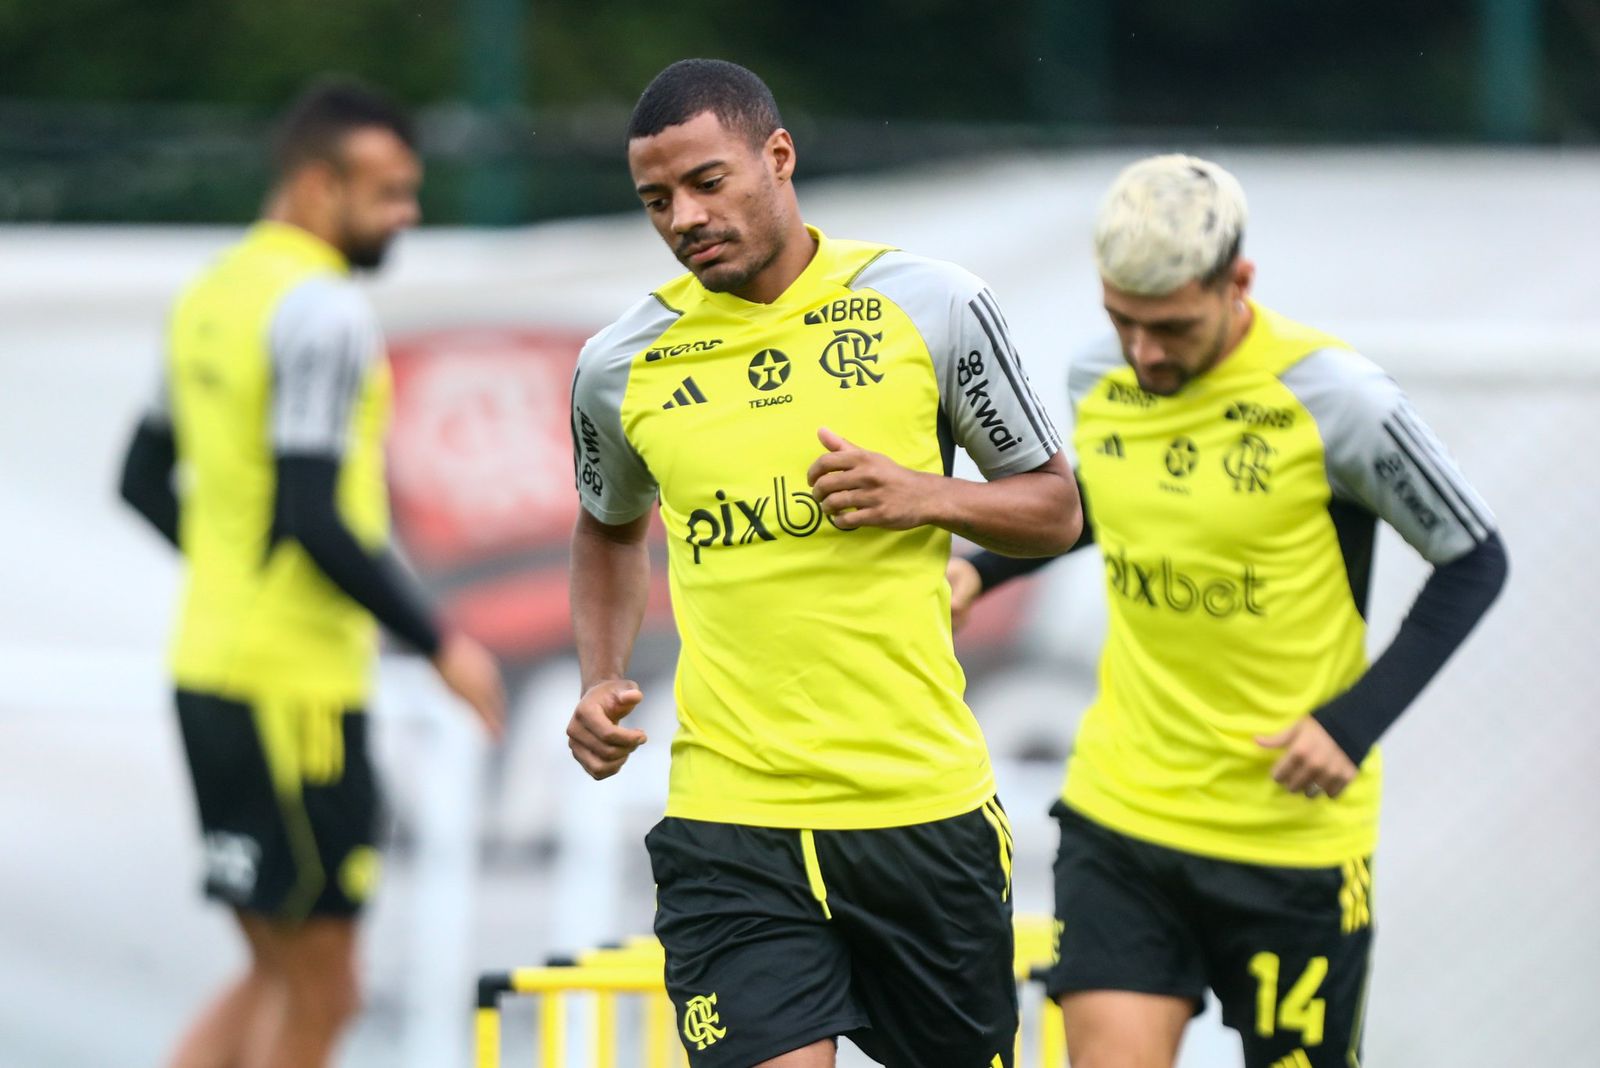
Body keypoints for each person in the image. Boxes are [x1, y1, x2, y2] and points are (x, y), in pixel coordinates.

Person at [565, 58, 1081, 1068]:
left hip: (919, 816)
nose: (683, 216)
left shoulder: (928, 306)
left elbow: (1054, 510)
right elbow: (608, 525)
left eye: (707, 182)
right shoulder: (619, 365)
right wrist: (599, 674)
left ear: (779, 156)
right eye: (656, 199)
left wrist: (925, 494)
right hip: (730, 823)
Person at [949, 154, 1509, 1068]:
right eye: (1122, 321)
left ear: (1238, 281)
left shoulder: (1339, 400)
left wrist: (1352, 723)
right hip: (1124, 811)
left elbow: (1475, 559)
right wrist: (984, 569)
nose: (1144, 352)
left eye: (1168, 326)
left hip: (1289, 837)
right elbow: (1113, 498)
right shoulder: (1102, 376)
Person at [117, 79, 505, 1068]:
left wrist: (236, 579)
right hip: (293, 694)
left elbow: (140, 479)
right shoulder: (321, 309)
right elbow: (312, 514)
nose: (406, 215)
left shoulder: (214, 292)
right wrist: (441, 643)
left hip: (211, 666)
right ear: (316, 183)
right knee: (325, 991)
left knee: (274, 976)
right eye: (387, 191)